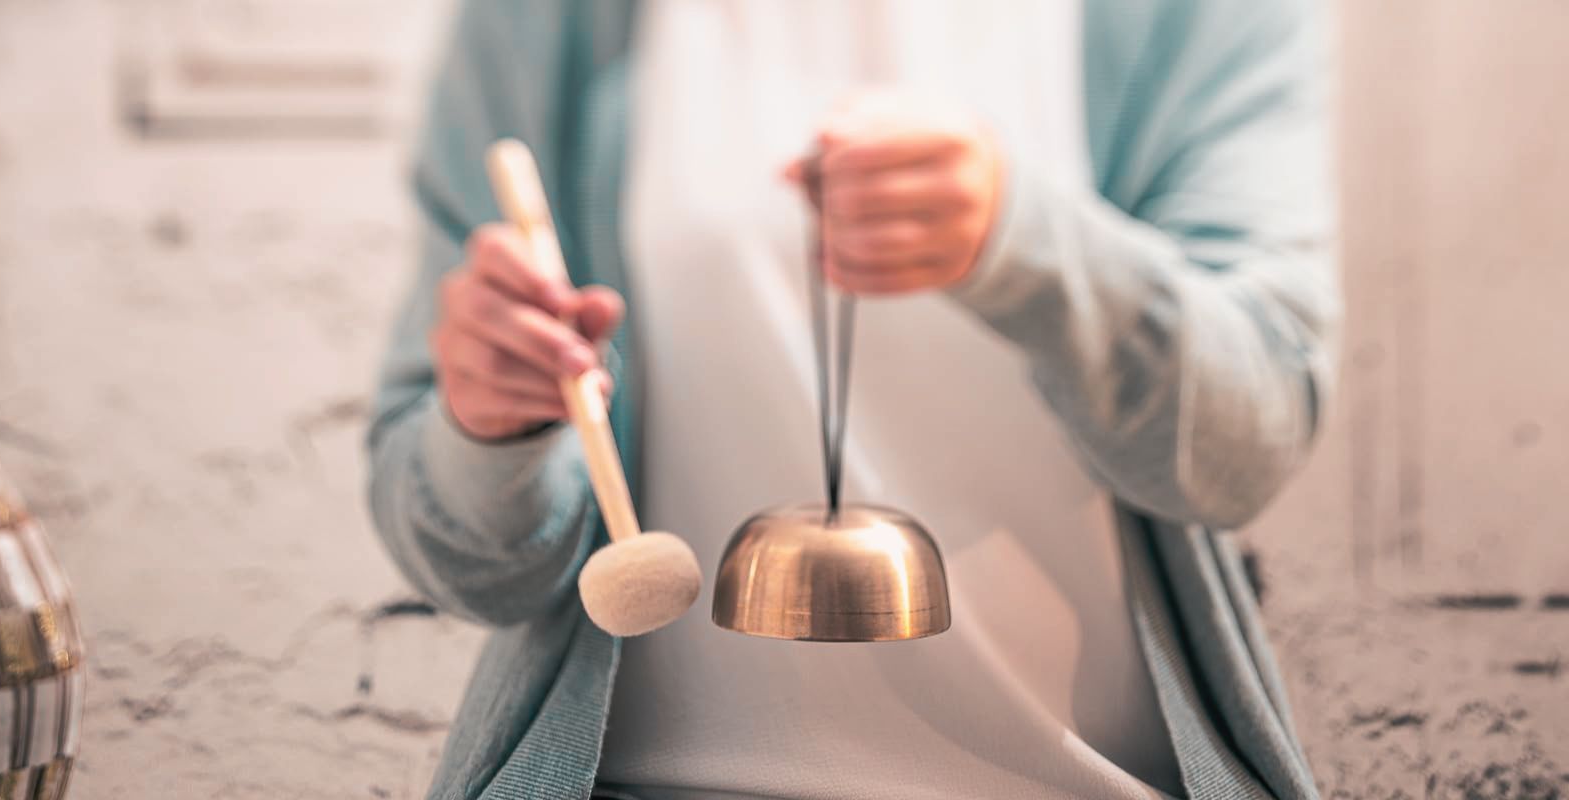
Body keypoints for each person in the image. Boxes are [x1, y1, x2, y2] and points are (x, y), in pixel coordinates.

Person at [365, 1, 1336, 797]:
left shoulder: (1196, 18)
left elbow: (1250, 436)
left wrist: (1020, 241)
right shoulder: (552, 21)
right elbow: (466, 557)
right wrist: (498, 430)